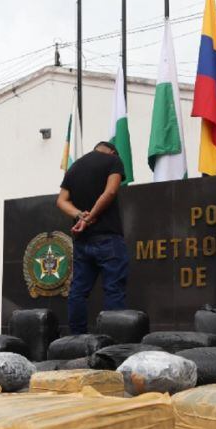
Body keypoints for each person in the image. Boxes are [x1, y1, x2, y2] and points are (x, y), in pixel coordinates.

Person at [57, 141, 128, 334]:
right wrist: (91, 216)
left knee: (78, 292)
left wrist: (80, 215)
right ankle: (114, 339)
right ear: (113, 152)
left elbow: (61, 201)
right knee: (113, 289)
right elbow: (111, 190)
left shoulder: (74, 167)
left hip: (82, 241)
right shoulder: (112, 161)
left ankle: (77, 338)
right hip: (108, 238)